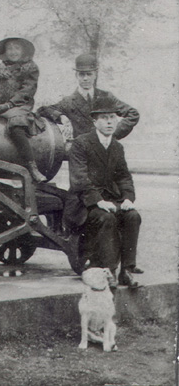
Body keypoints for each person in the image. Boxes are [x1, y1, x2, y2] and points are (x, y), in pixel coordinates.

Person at [66, 98, 142, 288]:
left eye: (112, 118)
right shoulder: (81, 144)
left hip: (110, 199)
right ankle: (109, 272)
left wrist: (127, 198)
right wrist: (98, 201)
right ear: (94, 121)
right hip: (84, 202)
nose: (109, 122)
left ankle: (127, 270)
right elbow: (79, 179)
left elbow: (124, 176)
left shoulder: (117, 146)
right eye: (104, 118)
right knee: (107, 219)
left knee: (133, 216)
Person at [37, 53, 139, 148]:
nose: (85, 78)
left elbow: (133, 114)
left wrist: (112, 134)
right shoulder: (68, 102)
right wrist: (61, 116)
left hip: (104, 151)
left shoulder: (106, 97)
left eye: (89, 74)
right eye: (82, 74)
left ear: (95, 75)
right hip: (80, 154)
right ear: (76, 75)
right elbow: (42, 110)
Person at [0, 37, 46, 183]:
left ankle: (32, 166)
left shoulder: (30, 68)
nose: (13, 52)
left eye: (17, 48)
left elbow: (27, 91)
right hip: (0, 105)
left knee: (16, 127)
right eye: (10, 49)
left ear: (23, 51)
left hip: (19, 106)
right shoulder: (1, 68)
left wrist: (9, 104)